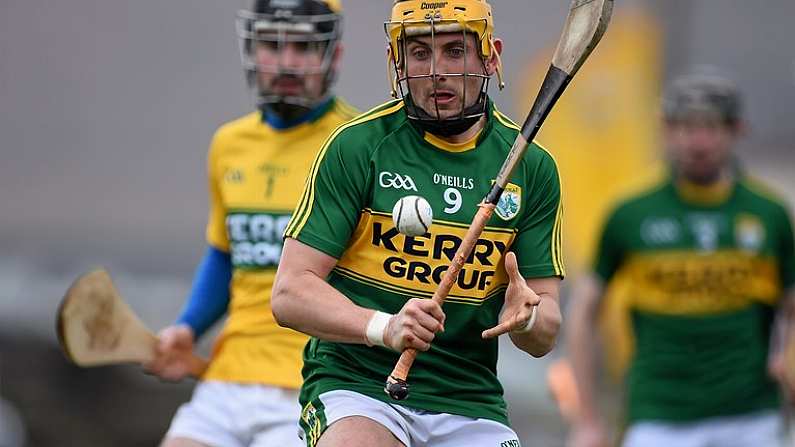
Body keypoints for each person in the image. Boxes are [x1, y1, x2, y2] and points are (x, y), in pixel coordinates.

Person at [271, 1, 565, 446]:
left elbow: (545, 330)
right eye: (420, 53)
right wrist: (383, 327)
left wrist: (527, 319)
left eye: (454, 50)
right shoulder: (358, 147)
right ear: (398, 62)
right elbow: (290, 293)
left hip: (469, 400)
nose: (436, 71)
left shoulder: (532, 167)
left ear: (489, 56)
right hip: (359, 388)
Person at [144, 1, 357, 446]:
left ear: (333, 55)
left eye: (302, 46)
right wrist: (187, 328)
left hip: (313, 385)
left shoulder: (357, 145)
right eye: (270, 45)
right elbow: (226, 255)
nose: (285, 62)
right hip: (224, 379)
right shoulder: (228, 144)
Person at [566, 69, 795, 447]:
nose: (699, 141)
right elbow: (582, 313)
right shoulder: (631, 214)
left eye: (711, 127)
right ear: (665, 130)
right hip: (660, 415)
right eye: (686, 127)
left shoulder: (769, 214)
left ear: (737, 130)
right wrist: (588, 420)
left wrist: (786, 356)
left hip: (752, 415)